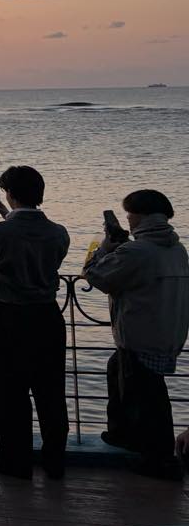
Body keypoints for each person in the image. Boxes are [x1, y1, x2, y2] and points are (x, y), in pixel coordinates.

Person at [0, 165, 70, 479]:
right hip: (48, 315)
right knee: (51, 390)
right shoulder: (58, 232)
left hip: (11, 315)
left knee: (11, 390)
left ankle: (16, 460)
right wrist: (7, 217)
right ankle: (54, 460)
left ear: (8, 194)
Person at [83, 189, 189, 480]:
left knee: (149, 397)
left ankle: (160, 460)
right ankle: (123, 435)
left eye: (129, 214)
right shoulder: (177, 249)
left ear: (141, 216)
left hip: (140, 334)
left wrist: (102, 247)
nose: (127, 219)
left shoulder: (136, 251)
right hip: (167, 331)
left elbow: (94, 274)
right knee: (119, 371)